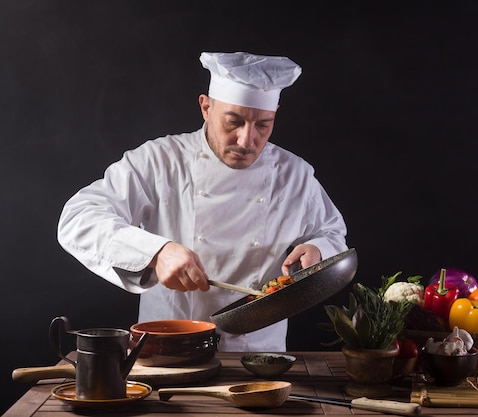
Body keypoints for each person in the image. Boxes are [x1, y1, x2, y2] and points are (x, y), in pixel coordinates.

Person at [57, 51, 348, 352]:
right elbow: (78, 218)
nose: (247, 141)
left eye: (263, 125)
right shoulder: (160, 161)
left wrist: (318, 250)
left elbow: (331, 234)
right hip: (167, 348)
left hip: (259, 355)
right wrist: (156, 252)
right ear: (206, 108)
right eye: (233, 122)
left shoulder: (295, 174)